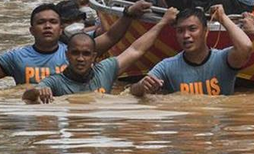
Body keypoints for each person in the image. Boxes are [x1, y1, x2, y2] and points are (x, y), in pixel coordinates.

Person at [22, 8, 179, 103]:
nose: (81, 58)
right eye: (75, 53)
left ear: (94, 57)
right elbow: (27, 96)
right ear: (67, 55)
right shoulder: (55, 82)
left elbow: (135, 50)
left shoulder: (105, 69)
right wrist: (36, 92)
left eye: (86, 54)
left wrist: (162, 23)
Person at [130, 5, 253, 96]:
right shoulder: (168, 66)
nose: (186, 35)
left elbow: (246, 47)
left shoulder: (223, 59)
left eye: (192, 29)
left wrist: (223, 18)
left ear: (205, 31)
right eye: (180, 31)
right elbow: (132, 91)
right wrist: (142, 87)